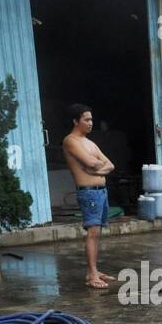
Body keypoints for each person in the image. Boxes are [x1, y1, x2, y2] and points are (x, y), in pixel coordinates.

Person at [61, 104, 116, 289]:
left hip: (101, 191)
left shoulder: (90, 143)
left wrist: (96, 168)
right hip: (89, 193)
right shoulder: (71, 141)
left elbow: (110, 165)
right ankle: (92, 274)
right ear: (76, 121)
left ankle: (93, 270)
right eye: (86, 119)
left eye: (91, 119)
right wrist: (96, 167)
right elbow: (90, 162)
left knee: (97, 233)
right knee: (92, 233)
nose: (90, 123)